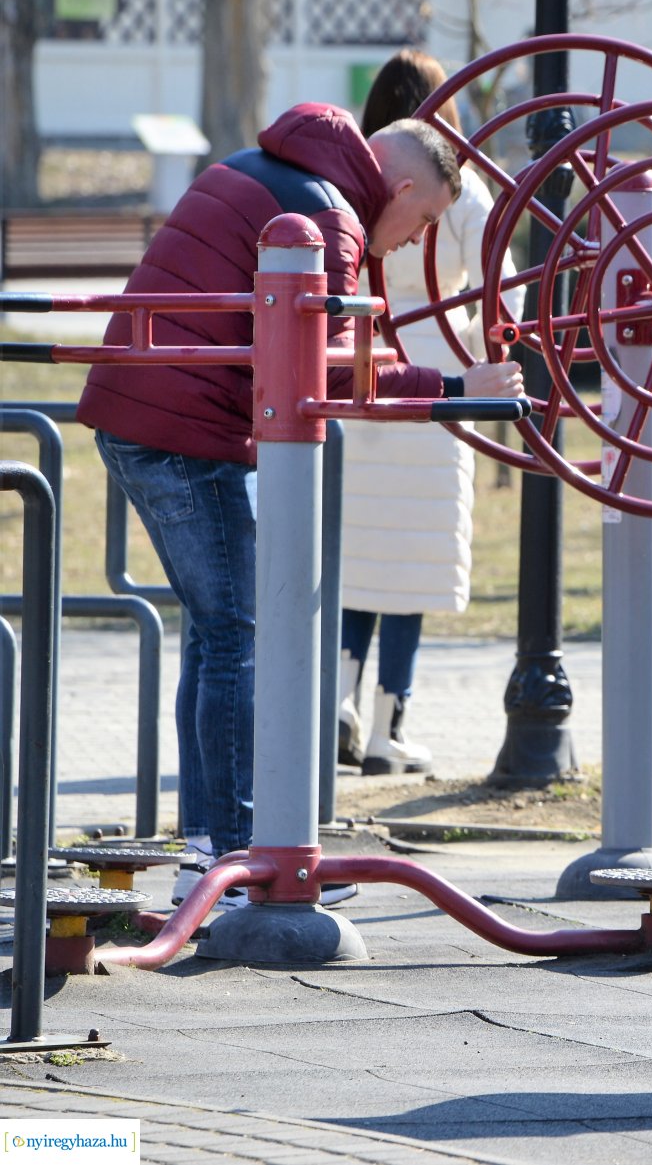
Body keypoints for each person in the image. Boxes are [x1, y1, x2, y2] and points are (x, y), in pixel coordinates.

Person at [75, 102, 524, 908]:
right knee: (237, 633)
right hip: (184, 432)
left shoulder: (263, 165)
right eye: (424, 220)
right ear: (402, 187)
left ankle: (208, 851)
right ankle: (240, 857)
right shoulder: (329, 217)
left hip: (141, 411)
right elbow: (329, 369)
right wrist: (459, 385)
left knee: (216, 634)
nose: (415, 241)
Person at [334, 50, 521, 777]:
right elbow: (503, 290)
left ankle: (339, 703)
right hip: (441, 379)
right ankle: (390, 727)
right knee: (410, 567)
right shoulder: (462, 191)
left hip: (358, 369)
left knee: (357, 560)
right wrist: (485, 351)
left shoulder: (358, 183)